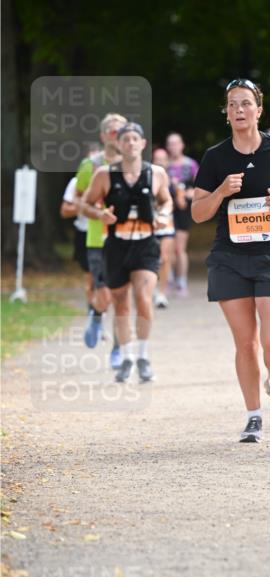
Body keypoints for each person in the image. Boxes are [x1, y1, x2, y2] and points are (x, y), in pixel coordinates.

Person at [191, 79, 270, 443]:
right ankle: (254, 416)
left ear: (259, 109)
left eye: (245, 103)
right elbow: (197, 212)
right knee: (245, 344)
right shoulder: (215, 157)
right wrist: (222, 191)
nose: (238, 110)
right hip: (230, 259)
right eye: (231, 105)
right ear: (226, 114)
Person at [81, 123, 172, 383]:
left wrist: (164, 214)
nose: (131, 143)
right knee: (120, 303)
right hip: (117, 244)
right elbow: (85, 204)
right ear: (118, 145)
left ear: (143, 144)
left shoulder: (156, 174)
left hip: (145, 243)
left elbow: (166, 200)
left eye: (135, 139)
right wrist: (100, 214)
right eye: (126, 139)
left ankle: (143, 356)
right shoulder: (104, 174)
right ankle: (126, 356)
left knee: (143, 296)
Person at [75, 112, 126, 365]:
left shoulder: (133, 164)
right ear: (103, 135)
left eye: (121, 131)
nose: (117, 135)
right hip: (97, 240)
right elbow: (78, 201)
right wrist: (98, 212)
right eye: (113, 131)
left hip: (127, 240)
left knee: (121, 298)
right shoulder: (91, 165)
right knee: (105, 295)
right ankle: (96, 313)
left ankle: (117, 349)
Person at [165, 132, 199, 297]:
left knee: (179, 248)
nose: (173, 147)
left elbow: (200, 187)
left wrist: (190, 194)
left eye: (176, 143)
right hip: (166, 210)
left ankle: (181, 281)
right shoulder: (163, 165)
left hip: (183, 210)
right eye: (170, 144)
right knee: (167, 249)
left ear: (182, 145)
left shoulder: (191, 164)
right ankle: (169, 279)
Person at [60, 176, 92, 307]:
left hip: (109, 234)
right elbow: (64, 211)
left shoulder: (114, 178)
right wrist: (84, 208)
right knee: (90, 275)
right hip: (84, 232)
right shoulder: (77, 182)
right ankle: (94, 313)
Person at [151, 147, 176, 308]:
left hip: (166, 222)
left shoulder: (172, 179)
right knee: (152, 259)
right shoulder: (149, 175)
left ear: (167, 161)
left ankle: (161, 293)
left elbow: (177, 203)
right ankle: (151, 288)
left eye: (163, 158)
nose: (160, 161)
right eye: (157, 158)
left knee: (165, 258)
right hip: (148, 223)